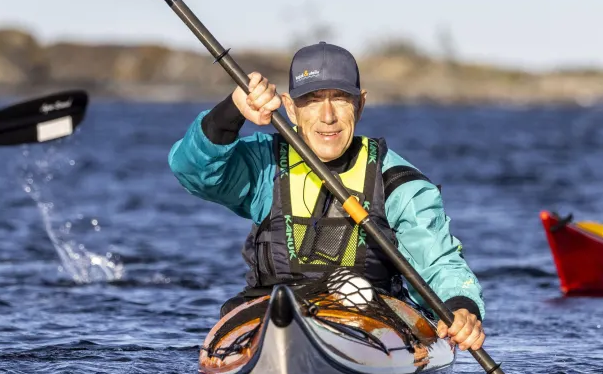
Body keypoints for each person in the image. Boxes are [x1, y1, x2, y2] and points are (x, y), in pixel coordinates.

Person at [168, 42, 485, 352]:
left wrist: (460, 307)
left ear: (360, 104)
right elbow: (193, 171)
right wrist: (231, 112)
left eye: (341, 98)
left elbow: (439, 261)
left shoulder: (399, 182)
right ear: (290, 108)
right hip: (270, 318)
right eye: (313, 99)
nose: (328, 116)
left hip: (370, 324)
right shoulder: (264, 165)